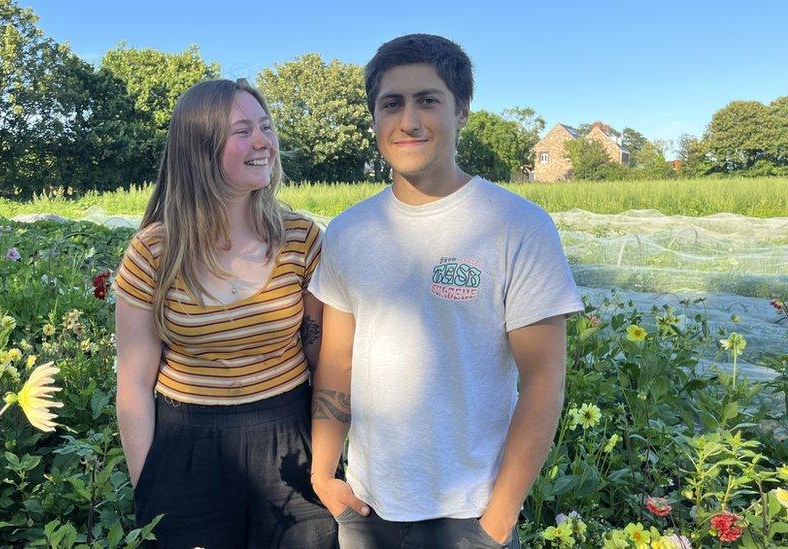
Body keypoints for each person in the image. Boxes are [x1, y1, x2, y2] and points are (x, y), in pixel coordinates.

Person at [308, 34, 584, 548]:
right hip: (367, 510)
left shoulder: (516, 226)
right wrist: (324, 472)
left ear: (461, 112)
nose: (408, 120)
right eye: (392, 103)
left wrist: (497, 521)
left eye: (427, 100)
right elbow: (338, 360)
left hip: (470, 514)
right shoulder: (350, 232)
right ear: (375, 120)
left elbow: (543, 379)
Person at [114, 78, 338, 548]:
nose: (263, 142)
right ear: (199, 147)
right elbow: (134, 383)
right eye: (242, 131)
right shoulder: (155, 251)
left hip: (290, 436)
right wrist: (149, 486)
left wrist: (326, 464)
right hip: (187, 445)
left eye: (265, 126)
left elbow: (325, 363)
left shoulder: (301, 238)